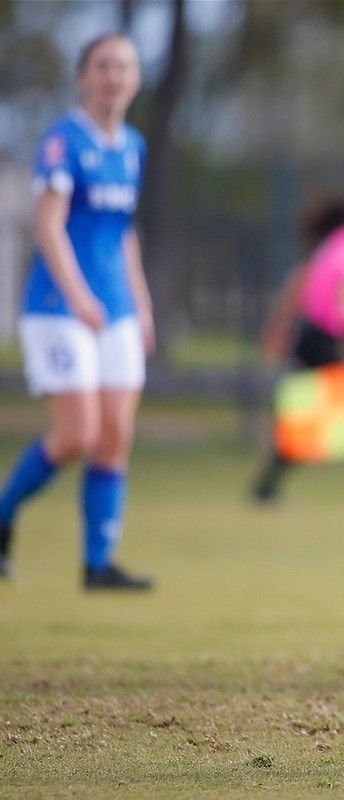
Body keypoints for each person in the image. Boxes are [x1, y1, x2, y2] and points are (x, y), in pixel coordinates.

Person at [0, 33, 156, 590]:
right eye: (104, 66)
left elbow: (122, 236)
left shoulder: (132, 146)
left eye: (125, 66)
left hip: (113, 310)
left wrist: (139, 303)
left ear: (136, 78)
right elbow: (48, 225)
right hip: (58, 308)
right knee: (77, 435)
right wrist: (78, 296)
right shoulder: (63, 141)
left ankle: (98, 564)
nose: (115, 76)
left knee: (116, 434)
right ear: (83, 77)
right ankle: (2, 515)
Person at [250, 190, 344, 503]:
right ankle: (329, 455)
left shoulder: (340, 242)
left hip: (313, 336)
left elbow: (300, 279)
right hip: (329, 338)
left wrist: (279, 326)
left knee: (308, 418)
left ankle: (268, 485)